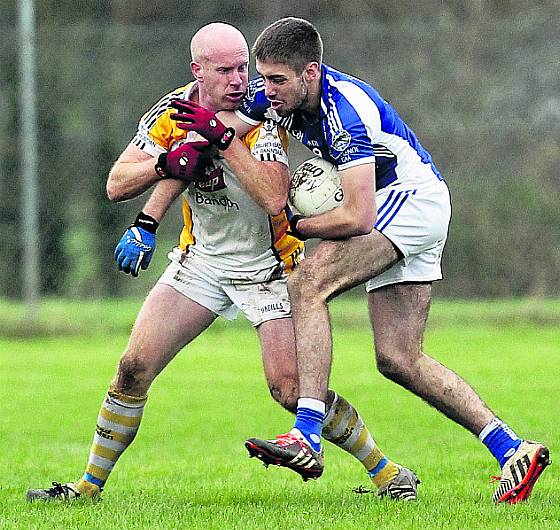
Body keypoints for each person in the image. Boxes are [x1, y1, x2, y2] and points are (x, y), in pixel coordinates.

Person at [27, 22, 419, 503]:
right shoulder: (173, 111)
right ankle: (86, 488)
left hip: (270, 268)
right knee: (132, 368)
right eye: (226, 70)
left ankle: (388, 473)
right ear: (198, 71)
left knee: (291, 392)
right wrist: (158, 186)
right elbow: (118, 182)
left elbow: (276, 196)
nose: (239, 80)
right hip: (202, 263)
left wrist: (221, 138)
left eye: (242, 68)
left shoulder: (263, 113)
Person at [177, 17, 550, 505]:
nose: (264, 91)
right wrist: (182, 140)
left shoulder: (343, 113)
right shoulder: (277, 94)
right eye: (261, 78)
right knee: (399, 359)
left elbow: (357, 216)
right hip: (416, 203)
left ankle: (307, 432)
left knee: (308, 282)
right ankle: (513, 450)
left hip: (409, 200)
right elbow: (222, 128)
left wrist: (294, 223)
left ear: (310, 72)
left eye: (276, 81)